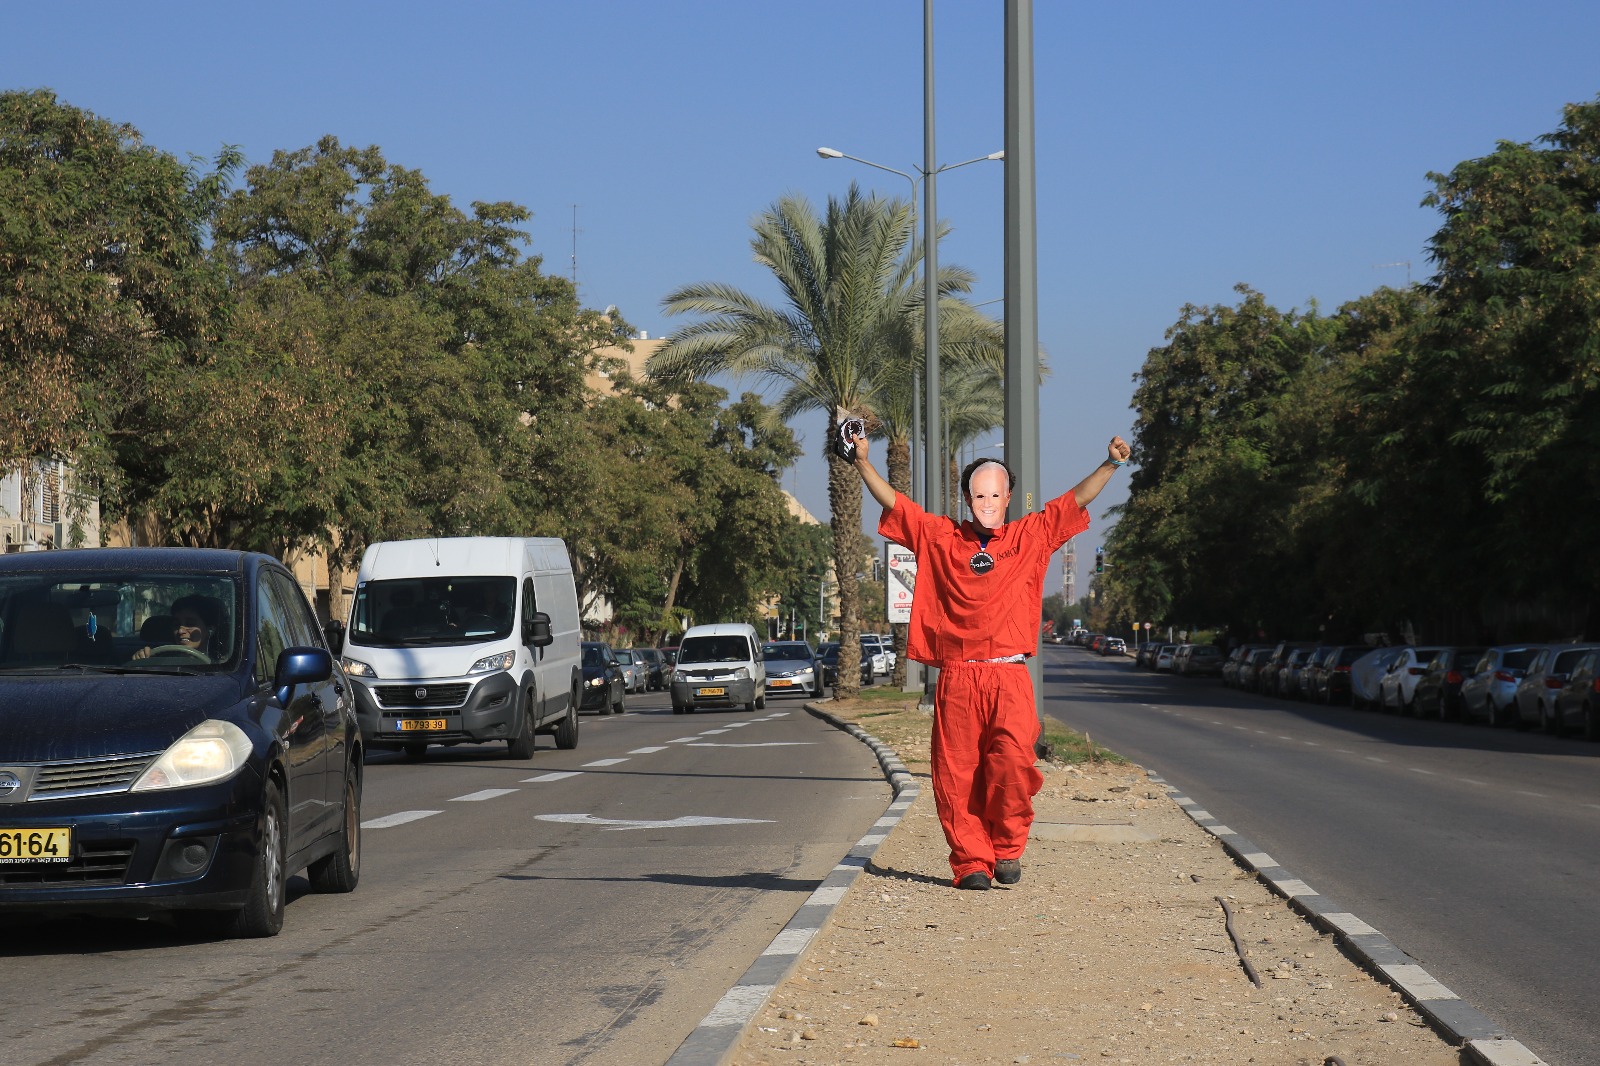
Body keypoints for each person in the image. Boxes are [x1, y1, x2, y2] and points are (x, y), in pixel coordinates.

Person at [851, 429, 1132, 889]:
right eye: (979, 493)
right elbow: (898, 504)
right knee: (957, 773)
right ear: (966, 497)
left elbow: (1073, 501)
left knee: (1013, 766)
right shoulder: (939, 536)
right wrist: (863, 462)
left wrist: (1111, 464)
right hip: (959, 678)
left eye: (996, 493)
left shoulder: (1031, 536)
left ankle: (1006, 848)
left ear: (1008, 498)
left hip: (1009, 676)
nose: (987, 500)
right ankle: (971, 862)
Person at [135, 594, 226, 661]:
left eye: (190, 624)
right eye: (176, 624)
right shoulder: (159, 659)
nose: (180, 630)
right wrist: (141, 660)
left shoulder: (225, 664)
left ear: (210, 630)